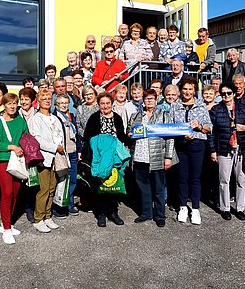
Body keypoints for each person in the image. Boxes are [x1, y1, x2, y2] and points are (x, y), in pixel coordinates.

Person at [128, 89, 177, 227]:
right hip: (139, 156)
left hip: (157, 156)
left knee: (158, 187)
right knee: (143, 187)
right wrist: (130, 134)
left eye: (152, 99)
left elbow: (170, 137)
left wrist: (168, 157)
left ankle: (160, 215)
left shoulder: (163, 115)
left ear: (156, 100)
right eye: (147, 98)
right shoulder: (135, 116)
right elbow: (129, 132)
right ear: (143, 101)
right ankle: (146, 213)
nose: (149, 101)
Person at [83, 92, 130, 227]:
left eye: (107, 103)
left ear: (111, 104)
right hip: (99, 156)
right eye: (102, 103)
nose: (105, 106)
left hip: (114, 156)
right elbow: (87, 136)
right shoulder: (94, 117)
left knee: (114, 183)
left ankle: (113, 212)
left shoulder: (117, 118)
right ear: (98, 105)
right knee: (101, 185)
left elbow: (121, 136)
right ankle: (101, 214)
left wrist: (130, 137)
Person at [170, 78, 212, 225]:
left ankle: (195, 208)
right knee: (182, 177)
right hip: (181, 145)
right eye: (185, 89)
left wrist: (199, 126)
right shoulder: (175, 106)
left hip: (197, 144)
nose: (187, 92)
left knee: (195, 178)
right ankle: (182, 207)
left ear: (194, 90)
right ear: (181, 90)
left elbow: (209, 128)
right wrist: (182, 134)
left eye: (190, 89)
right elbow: (171, 127)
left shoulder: (201, 106)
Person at [209, 82, 245, 221]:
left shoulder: (242, 109)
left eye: (229, 93)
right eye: (223, 94)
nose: (226, 96)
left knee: (241, 179)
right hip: (223, 148)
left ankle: (240, 208)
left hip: (240, 148)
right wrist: (213, 150)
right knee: (224, 180)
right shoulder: (216, 110)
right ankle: (225, 208)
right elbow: (211, 133)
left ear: (233, 93)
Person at [0, 93, 28, 244]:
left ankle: (6, 223)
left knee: (15, 193)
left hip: (18, 161)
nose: (12, 106)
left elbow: (26, 138)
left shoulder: (20, 120)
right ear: (4, 105)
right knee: (7, 193)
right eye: (9, 103)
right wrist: (12, 147)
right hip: (3, 160)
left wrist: (24, 149)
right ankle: (6, 230)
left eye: (14, 103)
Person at [28, 89, 65, 233]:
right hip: (44, 158)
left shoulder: (55, 118)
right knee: (43, 190)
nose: (47, 101)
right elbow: (37, 139)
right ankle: (39, 219)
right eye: (44, 99)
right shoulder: (36, 119)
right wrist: (55, 147)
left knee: (51, 189)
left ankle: (48, 216)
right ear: (38, 101)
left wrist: (60, 149)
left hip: (57, 157)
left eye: (49, 98)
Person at [54, 94, 81, 217]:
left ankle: (69, 204)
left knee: (73, 180)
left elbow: (77, 135)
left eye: (66, 103)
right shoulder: (55, 117)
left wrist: (79, 150)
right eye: (61, 103)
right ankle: (59, 207)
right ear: (56, 105)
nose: (64, 105)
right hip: (62, 153)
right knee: (61, 181)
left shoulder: (71, 116)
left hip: (73, 152)